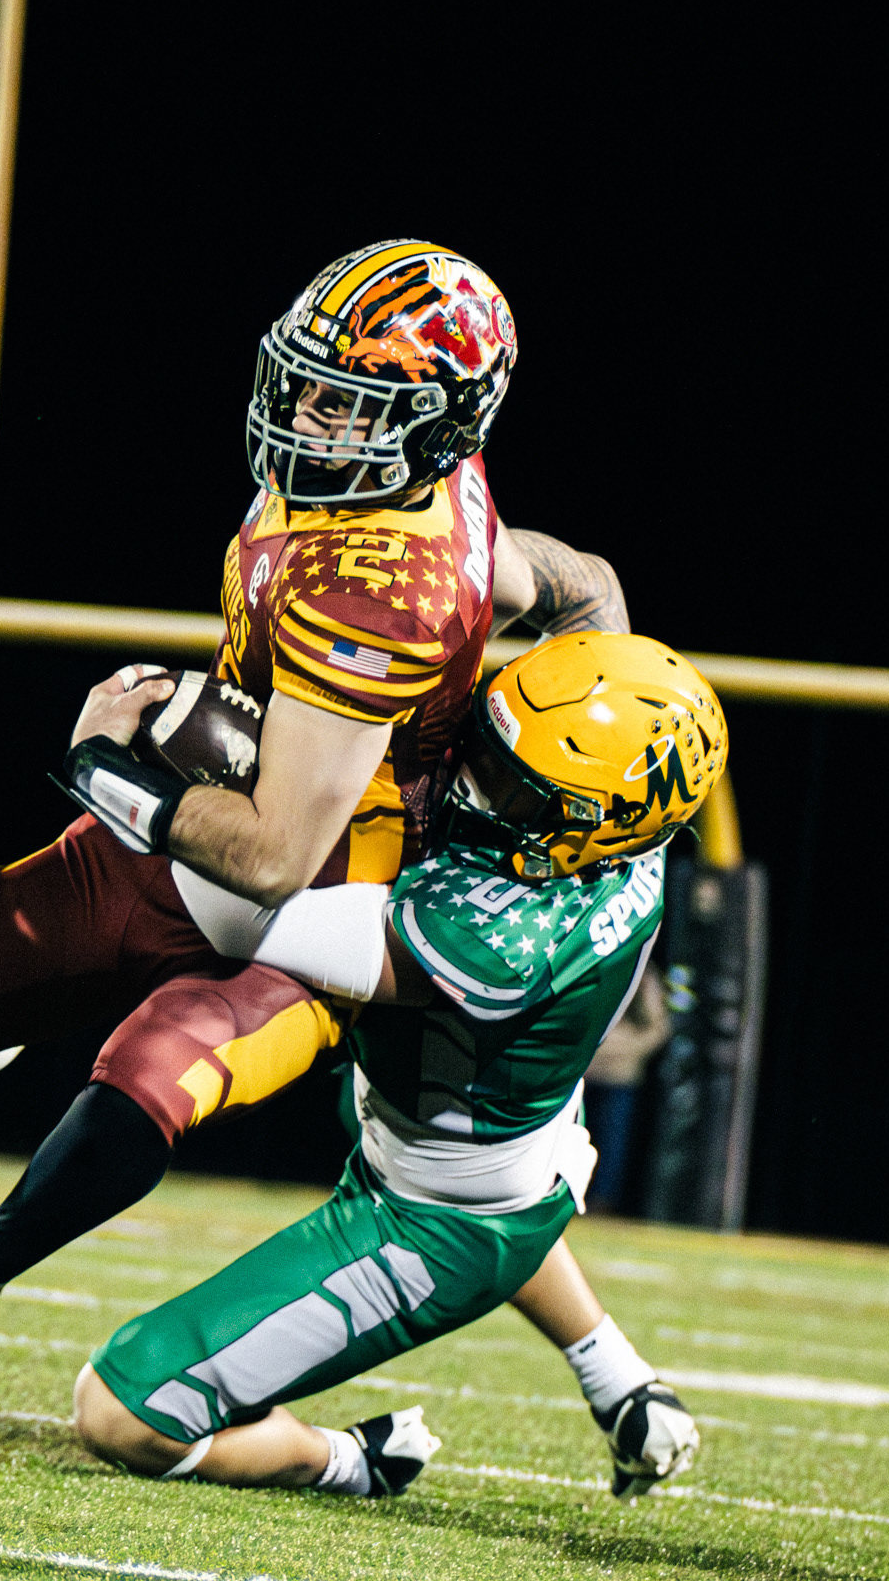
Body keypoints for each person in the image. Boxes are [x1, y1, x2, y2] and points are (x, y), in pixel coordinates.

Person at [0, 242, 623, 1410]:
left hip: (320, 901)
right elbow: (587, 583)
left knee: (153, 1073)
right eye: (309, 382)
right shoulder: (402, 483)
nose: (309, 413)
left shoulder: (387, 585)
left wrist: (102, 770)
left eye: (348, 401)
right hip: (213, 821)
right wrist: (535, 624)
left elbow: (276, 855)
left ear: (439, 422)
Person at [73, 632, 723, 1503]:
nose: (468, 784)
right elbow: (587, 588)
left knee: (123, 1411)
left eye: (511, 788)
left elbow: (246, 907)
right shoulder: (628, 815)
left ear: (586, 827)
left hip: (435, 1220)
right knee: (468, 1151)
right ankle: (620, 1377)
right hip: (501, 1135)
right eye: (485, 749)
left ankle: (345, 1460)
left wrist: (109, 774)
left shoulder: (497, 940)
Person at [584, 961, 670, 1212]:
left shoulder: (643, 973)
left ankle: (600, 1204)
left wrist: (626, 1054)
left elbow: (658, 1029)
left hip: (619, 1079)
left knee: (610, 1146)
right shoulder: (589, 961)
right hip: (580, 1075)